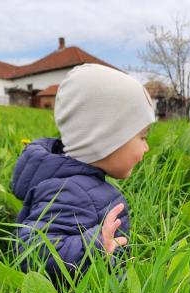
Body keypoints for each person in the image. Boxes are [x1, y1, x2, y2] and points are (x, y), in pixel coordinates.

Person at [12, 63, 155, 280]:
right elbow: (30, 249)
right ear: (106, 138)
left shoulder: (80, 185)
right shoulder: (71, 191)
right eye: (142, 137)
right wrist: (93, 246)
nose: (146, 147)